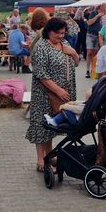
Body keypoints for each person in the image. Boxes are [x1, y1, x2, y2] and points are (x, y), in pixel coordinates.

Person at [25, 18, 80, 172]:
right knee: (41, 125)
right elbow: (41, 75)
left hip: (63, 93)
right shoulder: (41, 47)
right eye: (58, 33)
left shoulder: (65, 44)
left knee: (52, 126)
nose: (61, 36)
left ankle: (49, 155)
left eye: (63, 33)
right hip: (44, 93)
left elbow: (76, 63)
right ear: (49, 31)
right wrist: (58, 90)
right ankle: (40, 160)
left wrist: (74, 53)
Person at [84, 5, 104, 78]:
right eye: (104, 6)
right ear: (100, 7)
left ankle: (93, 70)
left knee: (95, 54)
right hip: (90, 34)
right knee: (89, 52)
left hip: (98, 36)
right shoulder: (94, 13)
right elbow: (89, 23)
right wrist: (98, 16)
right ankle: (87, 70)